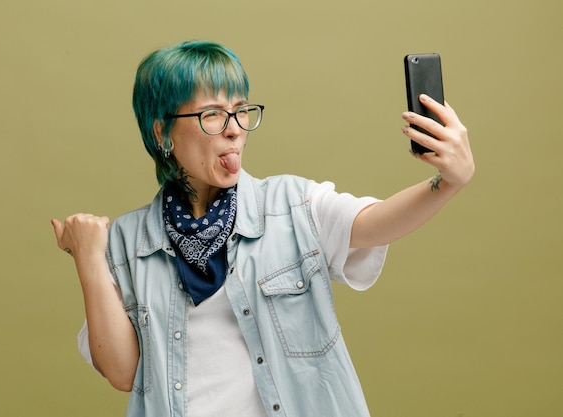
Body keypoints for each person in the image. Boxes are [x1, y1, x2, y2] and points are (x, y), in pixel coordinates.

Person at [51, 40, 474, 417]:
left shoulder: (291, 205)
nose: (234, 129)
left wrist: (446, 183)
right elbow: (122, 372)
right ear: (162, 131)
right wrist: (89, 258)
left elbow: (375, 224)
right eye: (213, 115)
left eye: (241, 111)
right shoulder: (128, 242)